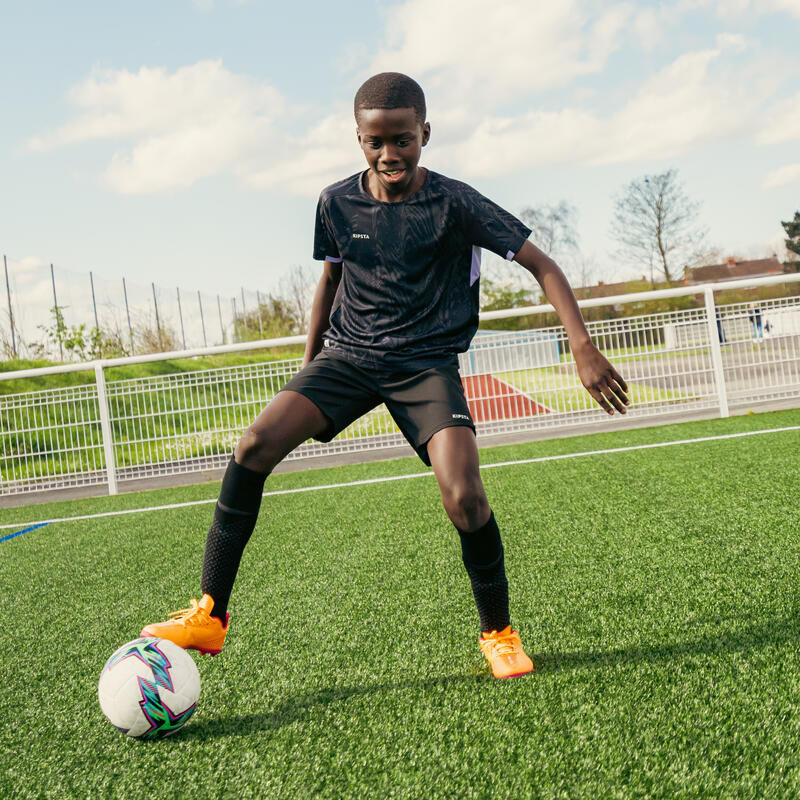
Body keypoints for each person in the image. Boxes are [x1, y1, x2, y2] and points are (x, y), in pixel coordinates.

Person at [142, 73, 629, 679]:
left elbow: (543, 264)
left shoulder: (455, 203)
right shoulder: (336, 202)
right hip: (347, 358)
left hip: (424, 364)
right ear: (358, 139)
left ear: (425, 133)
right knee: (253, 446)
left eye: (402, 140)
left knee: (464, 495)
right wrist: (310, 368)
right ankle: (210, 614)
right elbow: (330, 280)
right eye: (376, 143)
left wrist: (581, 346)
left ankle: (499, 633)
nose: (389, 154)